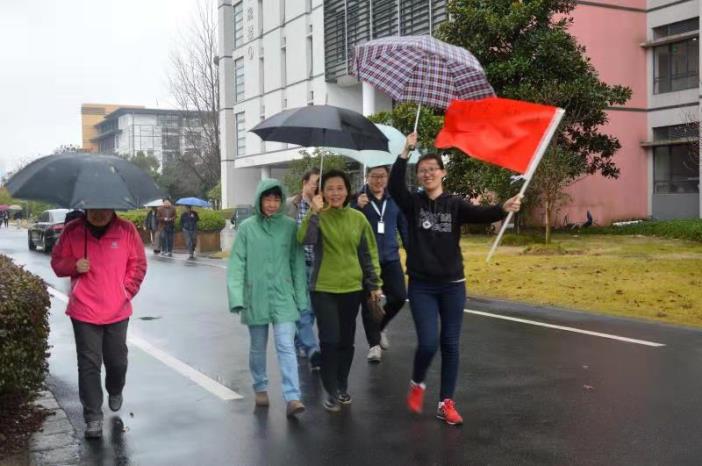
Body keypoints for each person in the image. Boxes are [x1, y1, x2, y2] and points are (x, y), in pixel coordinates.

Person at [389, 133, 523, 426]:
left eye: (432, 169)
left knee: (450, 343)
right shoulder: (413, 204)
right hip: (422, 285)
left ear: (443, 173)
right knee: (428, 343)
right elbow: (394, 187)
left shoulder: (455, 204)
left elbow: (481, 214)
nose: (427, 174)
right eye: (422, 171)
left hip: (452, 286)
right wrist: (404, 153)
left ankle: (445, 403)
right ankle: (417, 383)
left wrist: (503, 207)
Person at [50, 209, 147, 439]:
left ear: (112, 208)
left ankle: (115, 389)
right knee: (88, 364)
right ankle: (93, 417)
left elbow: (138, 264)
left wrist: (126, 291)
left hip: (118, 309)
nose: (100, 214)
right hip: (83, 309)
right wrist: (74, 265)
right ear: (86, 208)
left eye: (104, 209)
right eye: (94, 209)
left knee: (117, 361)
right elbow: (57, 263)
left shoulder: (126, 230)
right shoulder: (73, 230)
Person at [298, 169, 382, 412]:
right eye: (330, 188)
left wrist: (374, 284)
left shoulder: (358, 219)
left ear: (347, 191)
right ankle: (331, 389)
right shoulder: (319, 215)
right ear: (322, 192)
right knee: (330, 339)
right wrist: (314, 212)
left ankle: (342, 384)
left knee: (347, 341)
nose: (335, 193)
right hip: (323, 288)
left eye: (340, 188)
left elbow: (368, 254)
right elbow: (304, 239)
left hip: (352, 288)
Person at [228, 179, 308, 418]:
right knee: (257, 347)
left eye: (276, 199)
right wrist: (237, 296)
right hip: (256, 295)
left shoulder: (290, 227)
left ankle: (293, 397)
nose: (272, 204)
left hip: (284, 295)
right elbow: (237, 263)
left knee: (286, 345)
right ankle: (260, 386)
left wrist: (301, 299)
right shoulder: (247, 228)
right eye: (267, 199)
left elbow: (297, 265)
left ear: (281, 201)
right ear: (259, 200)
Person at [353, 165, 409, 364]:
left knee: (399, 297)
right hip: (367, 261)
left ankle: (381, 326)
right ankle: (374, 345)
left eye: (382, 176)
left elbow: (403, 227)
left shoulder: (394, 199)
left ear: (387, 178)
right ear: (367, 177)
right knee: (370, 304)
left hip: (391, 258)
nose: (378, 180)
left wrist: (411, 253)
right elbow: (347, 222)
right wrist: (356, 207)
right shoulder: (358, 199)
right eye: (374, 176)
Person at [286, 168, 322, 370]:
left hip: (317, 265)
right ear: (304, 183)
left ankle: (299, 342)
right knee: (303, 309)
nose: (316, 186)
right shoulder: (290, 205)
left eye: (319, 183)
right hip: (297, 265)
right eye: (314, 182)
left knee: (313, 309)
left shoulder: (322, 206)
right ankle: (312, 349)